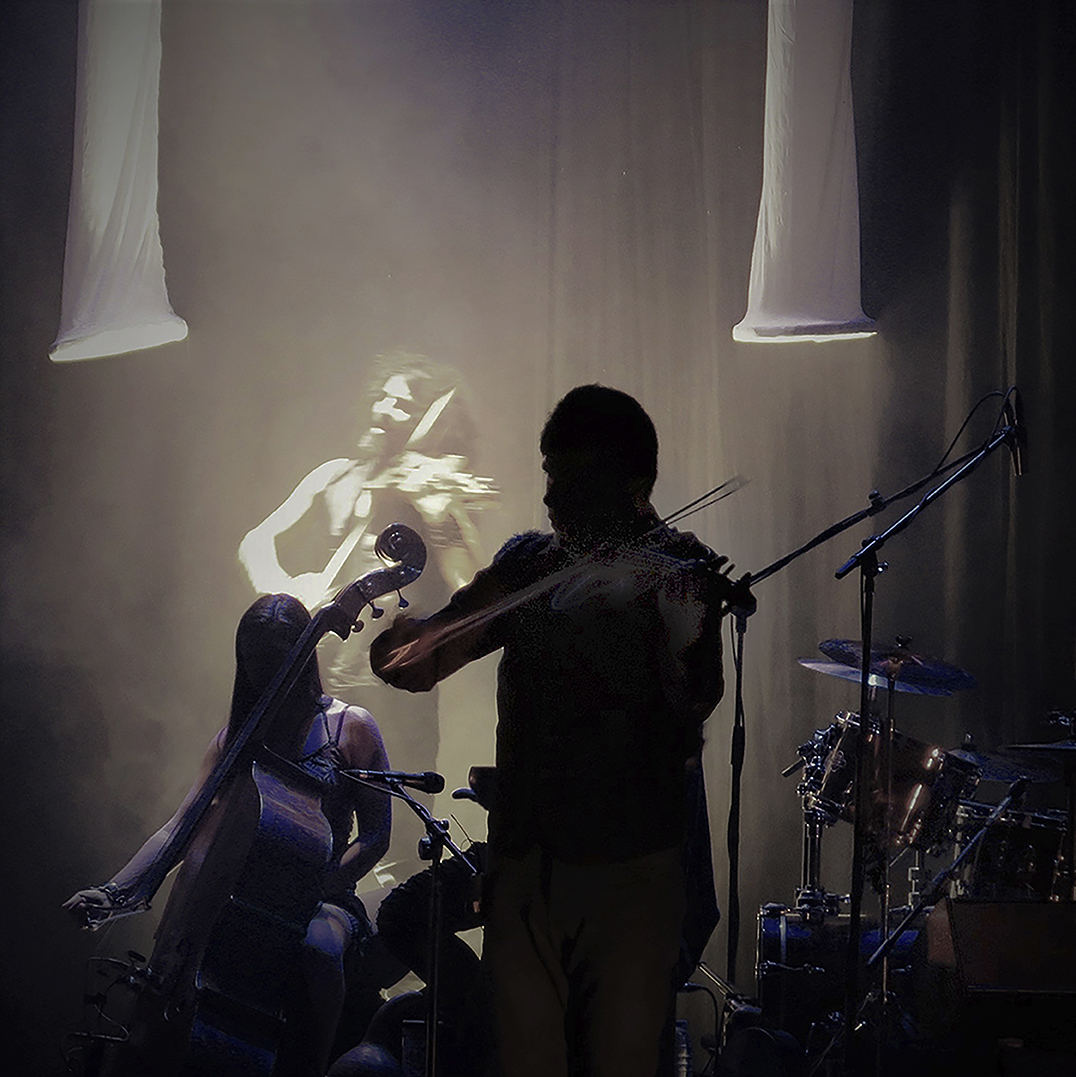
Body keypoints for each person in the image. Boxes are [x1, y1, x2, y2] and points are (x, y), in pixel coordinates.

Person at [369, 385, 739, 1077]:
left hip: (631, 883)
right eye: (549, 473)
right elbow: (425, 659)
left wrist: (686, 630)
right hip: (530, 873)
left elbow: (693, 706)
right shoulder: (529, 564)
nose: (550, 496)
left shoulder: (679, 569)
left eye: (570, 479)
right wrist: (403, 644)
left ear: (630, 485)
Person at [64, 593, 392, 1077]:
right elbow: (182, 826)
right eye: (256, 664)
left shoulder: (351, 727)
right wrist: (115, 891)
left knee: (318, 952)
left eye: (277, 662)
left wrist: (315, 888)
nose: (267, 675)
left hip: (324, 896)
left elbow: (376, 836)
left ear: (303, 658)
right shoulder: (236, 739)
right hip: (237, 896)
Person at [238, 353, 496, 878]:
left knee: (390, 836)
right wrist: (285, 585)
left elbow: (471, 587)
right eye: (383, 396)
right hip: (322, 678)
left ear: (428, 421)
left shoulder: (434, 490)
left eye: (402, 405)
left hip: (396, 687)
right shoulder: (335, 475)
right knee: (305, 816)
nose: (384, 409)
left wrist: (439, 517)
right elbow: (256, 540)